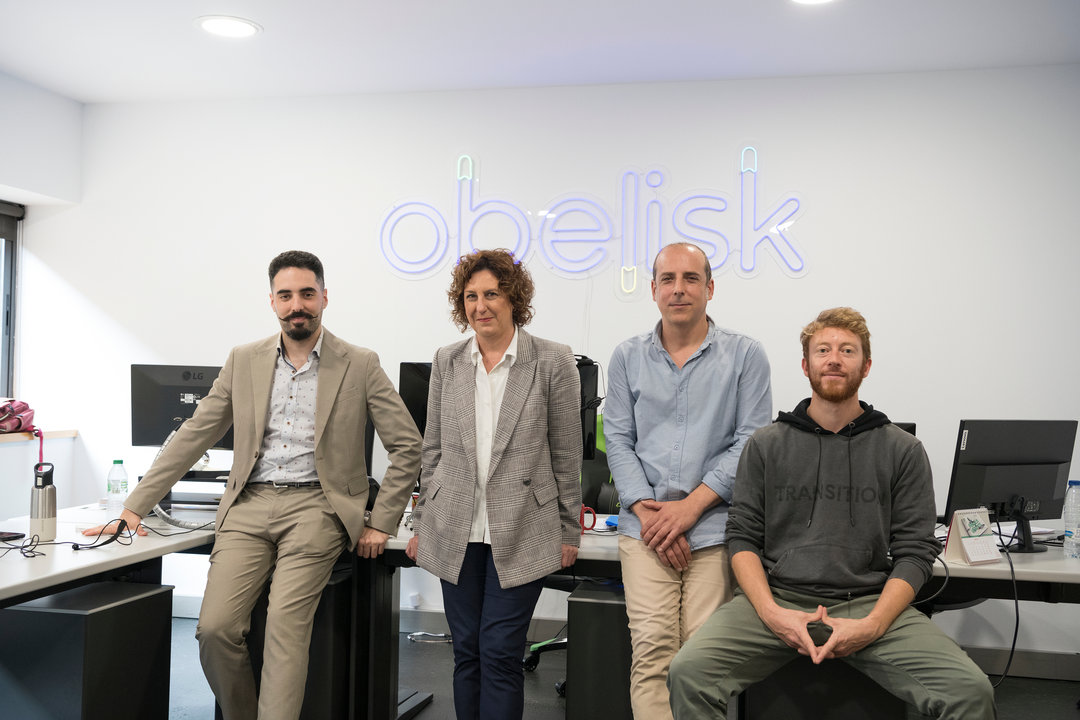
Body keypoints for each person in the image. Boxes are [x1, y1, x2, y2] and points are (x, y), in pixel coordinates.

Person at [84, 250, 421, 720]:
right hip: (248, 506)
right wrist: (135, 506)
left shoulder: (359, 363)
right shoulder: (244, 360)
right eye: (285, 295)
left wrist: (381, 522)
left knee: (285, 628)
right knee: (215, 630)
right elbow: (194, 433)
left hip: (318, 508)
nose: (296, 304)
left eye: (307, 293)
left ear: (325, 297)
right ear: (272, 301)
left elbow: (408, 445)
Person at [668, 307, 996, 719]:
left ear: (867, 365)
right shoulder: (766, 445)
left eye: (847, 350)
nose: (834, 359)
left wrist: (874, 624)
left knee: (970, 691)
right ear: (806, 365)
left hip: (868, 601)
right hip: (779, 599)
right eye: (823, 350)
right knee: (688, 673)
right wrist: (772, 614)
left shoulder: (902, 450)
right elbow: (743, 538)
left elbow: (916, 552)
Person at [405, 248, 582, 720]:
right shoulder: (448, 360)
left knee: (500, 652)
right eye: (470, 296)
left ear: (513, 299)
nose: (480, 305)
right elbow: (434, 450)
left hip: (523, 526)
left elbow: (566, 452)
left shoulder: (553, 360)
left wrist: (569, 530)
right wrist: (421, 522)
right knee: (466, 651)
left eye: (492, 294)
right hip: (454, 526)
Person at [603, 242, 773, 720]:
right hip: (647, 529)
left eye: (691, 278)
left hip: (716, 531)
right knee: (653, 651)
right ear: (653, 289)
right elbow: (617, 440)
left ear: (710, 288)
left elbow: (751, 443)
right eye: (668, 279)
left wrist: (689, 508)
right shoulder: (627, 357)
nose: (679, 289)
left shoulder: (746, 356)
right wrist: (649, 511)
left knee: (704, 659)